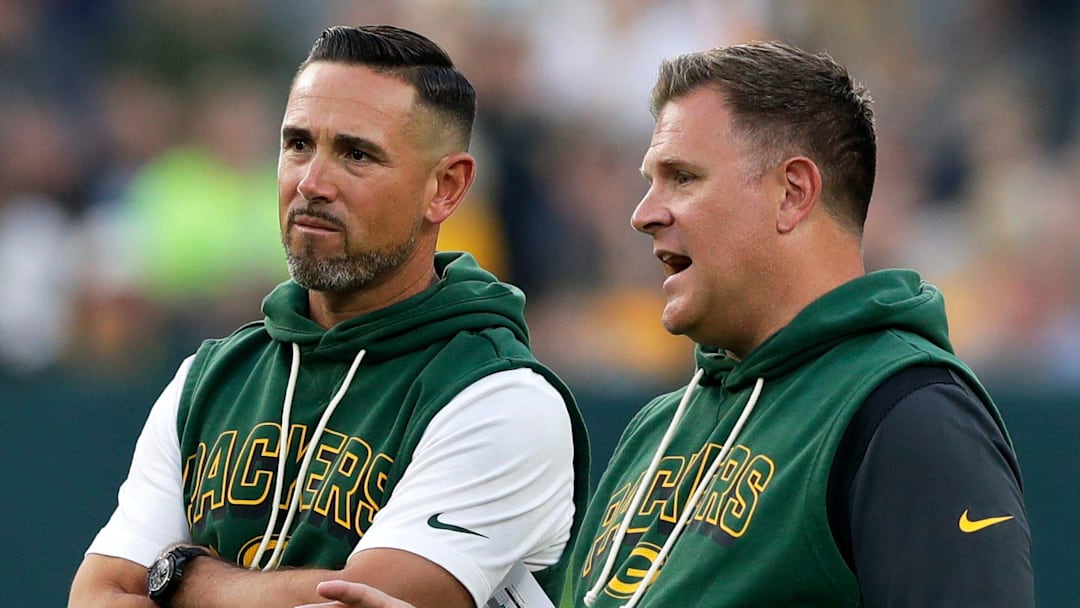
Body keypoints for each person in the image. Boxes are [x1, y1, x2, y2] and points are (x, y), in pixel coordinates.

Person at [303, 41, 1035, 608]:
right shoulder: (658, 429)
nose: (643, 212)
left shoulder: (908, 413)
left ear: (793, 193)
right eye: (648, 179)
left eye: (682, 178)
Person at [67, 25, 589, 608]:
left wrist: (180, 578)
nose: (311, 183)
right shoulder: (209, 379)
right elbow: (97, 595)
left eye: (356, 154)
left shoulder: (499, 397)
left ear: (445, 187)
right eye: (296, 144)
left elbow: (362, 602)